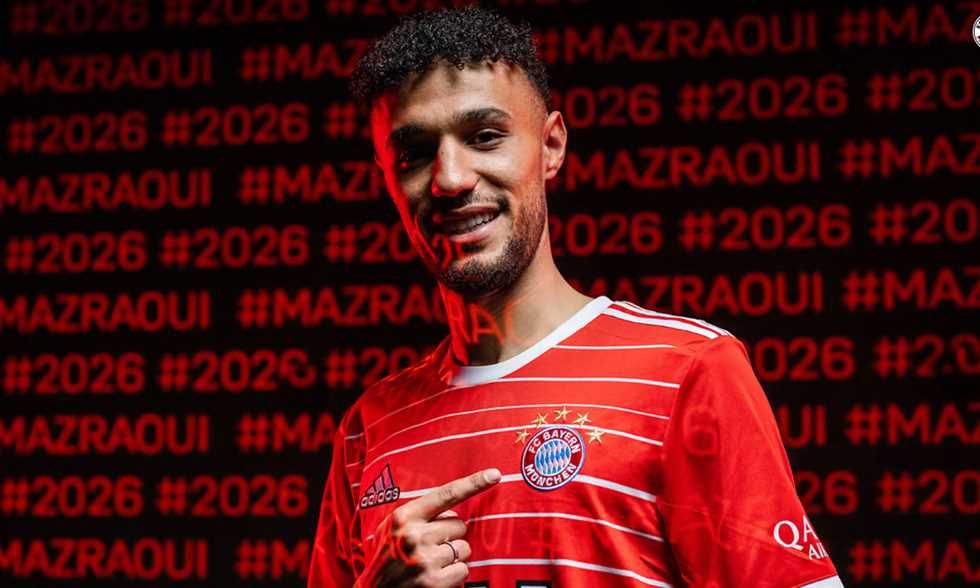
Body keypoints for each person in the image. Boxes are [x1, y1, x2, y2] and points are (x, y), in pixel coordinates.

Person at [308, 6, 844, 587]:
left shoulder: (686, 371)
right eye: (414, 153)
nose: (450, 179)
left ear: (552, 146)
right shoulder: (370, 427)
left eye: (485, 137)